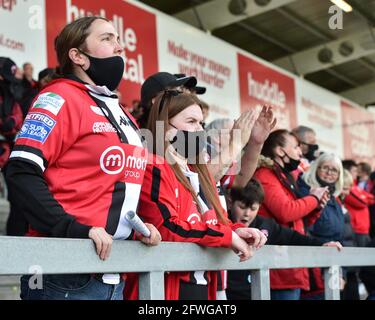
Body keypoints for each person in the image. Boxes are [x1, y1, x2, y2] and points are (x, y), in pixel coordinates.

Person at [4, 16, 161, 300]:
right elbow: (20, 172)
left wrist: (138, 226)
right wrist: (72, 229)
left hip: (113, 274)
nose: (119, 47)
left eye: (117, 38)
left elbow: (116, 187)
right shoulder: (59, 97)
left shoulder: (122, 112)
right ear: (77, 55)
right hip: (63, 274)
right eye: (107, 38)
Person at [132, 90, 267, 300]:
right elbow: (167, 227)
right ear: (166, 127)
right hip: (166, 288)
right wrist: (227, 236)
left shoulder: (199, 172)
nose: (199, 130)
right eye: (192, 121)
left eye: (201, 123)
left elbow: (217, 222)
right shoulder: (154, 165)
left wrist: (239, 231)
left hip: (203, 283)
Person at [225, 179, 342, 300]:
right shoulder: (222, 224)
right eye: (242, 207)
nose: (247, 213)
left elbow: (293, 237)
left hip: (252, 291)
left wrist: (322, 245)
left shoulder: (266, 225)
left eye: (253, 208)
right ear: (230, 203)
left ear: (259, 207)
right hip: (225, 292)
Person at [254, 129, 329, 300]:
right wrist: (314, 199)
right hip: (277, 269)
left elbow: (297, 222)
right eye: (295, 147)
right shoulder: (265, 174)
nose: (300, 152)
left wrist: (315, 208)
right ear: (280, 151)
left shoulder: (285, 176)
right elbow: (286, 212)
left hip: (291, 267)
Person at [302, 153, 345, 243]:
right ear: (316, 168)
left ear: (339, 175)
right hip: (315, 250)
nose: (329, 173)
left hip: (333, 250)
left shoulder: (334, 197)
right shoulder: (307, 192)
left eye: (334, 170)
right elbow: (306, 229)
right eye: (325, 167)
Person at [342, 159, 375, 247]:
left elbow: (371, 198)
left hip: (363, 228)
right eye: (354, 171)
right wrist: (364, 198)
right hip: (357, 229)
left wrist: (364, 197)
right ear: (347, 171)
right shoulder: (347, 187)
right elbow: (362, 202)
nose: (357, 173)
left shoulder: (355, 185)